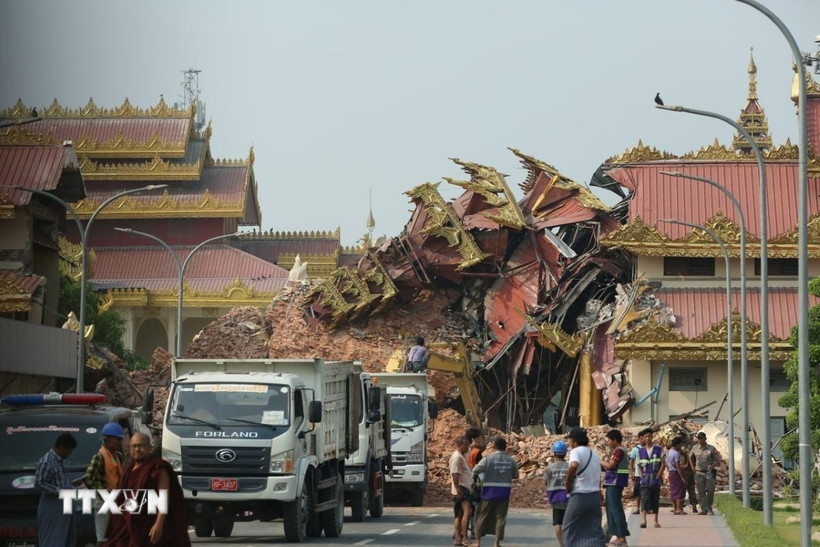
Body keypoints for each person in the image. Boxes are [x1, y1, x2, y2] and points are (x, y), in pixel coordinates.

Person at [104, 433, 190, 546]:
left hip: (149, 523)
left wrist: (159, 524)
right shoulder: (128, 469)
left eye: (141, 446)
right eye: (134, 446)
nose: (137, 449)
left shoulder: (158, 468)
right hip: (129, 524)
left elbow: (164, 498)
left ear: (149, 447)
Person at [471, 436, 518, 547]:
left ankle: (477, 542)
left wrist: (480, 480)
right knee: (500, 517)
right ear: (505, 447)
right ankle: (496, 543)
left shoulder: (488, 459)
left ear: (493, 446)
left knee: (481, 515)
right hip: (504, 492)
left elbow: (475, 470)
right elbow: (516, 475)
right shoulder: (511, 461)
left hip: (489, 491)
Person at [562, 427, 606, 546]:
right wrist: (600, 493)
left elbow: (574, 465)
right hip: (594, 496)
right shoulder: (594, 454)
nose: (569, 443)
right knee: (593, 529)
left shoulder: (576, 451)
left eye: (569, 440)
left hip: (580, 496)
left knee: (568, 528)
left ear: (575, 441)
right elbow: (598, 475)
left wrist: (568, 482)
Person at [84, 422, 125, 547]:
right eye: (117, 439)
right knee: (102, 539)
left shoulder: (117, 456)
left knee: (114, 536)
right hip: (103, 502)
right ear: (108, 438)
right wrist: (102, 492)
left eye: (120, 439)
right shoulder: (99, 457)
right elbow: (88, 478)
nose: (120, 442)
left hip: (115, 499)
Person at [35, 433, 77, 547]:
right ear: (62, 448)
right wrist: (61, 492)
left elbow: (59, 482)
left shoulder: (59, 461)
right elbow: (39, 483)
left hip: (63, 507)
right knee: (52, 539)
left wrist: (71, 485)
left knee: (63, 539)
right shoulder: (47, 461)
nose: (69, 454)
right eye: (69, 451)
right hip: (52, 507)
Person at [601, 429, 630, 546]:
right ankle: (618, 535)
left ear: (615, 440)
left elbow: (611, 465)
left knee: (616, 510)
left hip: (616, 482)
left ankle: (622, 537)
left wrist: (599, 460)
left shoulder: (619, 451)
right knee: (611, 510)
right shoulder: (616, 451)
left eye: (609, 440)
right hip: (612, 482)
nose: (608, 443)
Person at [637, 428, 666, 529]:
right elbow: (639, 465)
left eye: (649, 436)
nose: (648, 438)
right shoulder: (640, 451)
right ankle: (644, 521)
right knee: (644, 499)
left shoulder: (659, 449)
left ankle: (655, 521)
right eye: (645, 437)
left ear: (652, 437)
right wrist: (642, 477)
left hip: (655, 476)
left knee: (655, 499)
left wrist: (657, 477)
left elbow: (663, 464)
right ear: (643, 438)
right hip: (645, 478)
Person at [545, 440, 569, 547]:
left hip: (555, 497)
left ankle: (561, 544)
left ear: (554, 453)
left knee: (558, 522)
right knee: (568, 522)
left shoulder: (550, 467)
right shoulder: (569, 466)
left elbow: (546, 481)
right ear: (565, 453)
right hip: (568, 497)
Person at [449, 435, 473, 547]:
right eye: (465, 445)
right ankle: (464, 537)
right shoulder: (457, 457)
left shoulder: (461, 456)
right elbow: (455, 474)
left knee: (459, 514)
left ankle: (458, 538)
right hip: (462, 488)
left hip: (462, 488)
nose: (467, 447)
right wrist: (458, 490)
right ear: (459, 445)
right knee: (466, 513)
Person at [689, 431, 719, 515]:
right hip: (699, 473)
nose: (700, 440)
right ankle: (703, 509)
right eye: (699, 438)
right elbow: (690, 457)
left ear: (705, 439)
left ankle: (710, 508)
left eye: (701, 438)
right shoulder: (695, 448)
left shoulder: (711, 448)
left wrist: (712, 465)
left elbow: (717, 459)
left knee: (710, 491)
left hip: (709, 473)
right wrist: (692, 467)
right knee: (701, 491)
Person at [666, 436, 686, 515]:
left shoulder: (668, 452)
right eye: (680, 445)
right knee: (679, 491)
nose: (681, 446)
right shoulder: (676, 453)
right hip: (676, 473)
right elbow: (677, 466)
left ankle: (674, 508)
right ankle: (678, 508)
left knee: (673, 490)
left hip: (671, 472)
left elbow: (666, 463)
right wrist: (682, 477)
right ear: (677, 445)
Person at [628, 435, 643, 516]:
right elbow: (631, 461)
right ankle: (637, 508)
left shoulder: (648, 448)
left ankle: (645, 508)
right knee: (637, 492)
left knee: (646, 491)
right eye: (642, 437)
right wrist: (631, 472)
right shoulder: (635, 449)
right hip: (637, 473)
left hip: (646, 474)